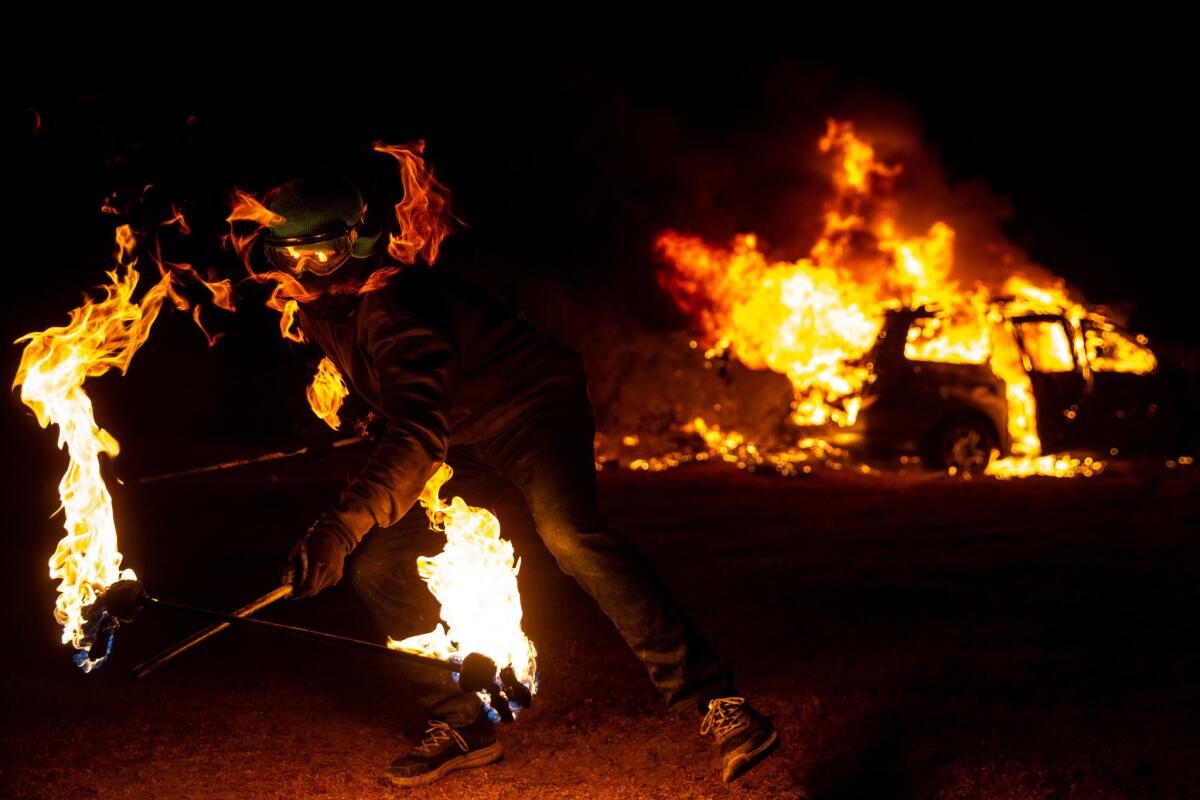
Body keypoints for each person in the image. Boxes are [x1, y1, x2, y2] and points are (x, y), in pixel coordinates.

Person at [262, 172, 779, 786]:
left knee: (569, 534)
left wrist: (340, 528)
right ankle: (461, 725)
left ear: (360, 241)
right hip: (461, 436)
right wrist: (352, 409)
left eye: (322, 251)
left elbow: (418, 434)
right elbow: (398, 400)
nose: (304, 267)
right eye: (287, 254)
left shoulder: (395, 306)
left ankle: (720, 705)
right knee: (380, 568)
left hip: (532, 407)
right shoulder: (318, 302)